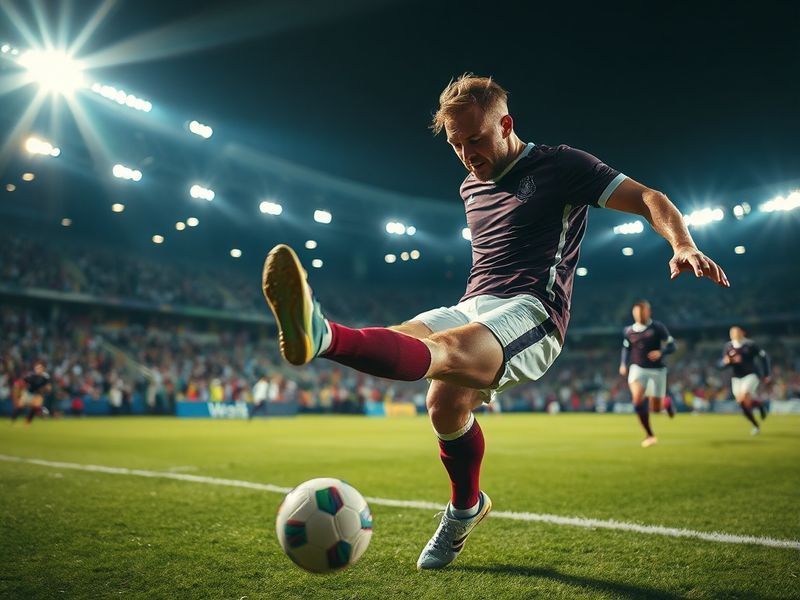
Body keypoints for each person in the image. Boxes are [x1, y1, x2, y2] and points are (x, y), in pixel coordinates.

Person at [261, 73, 729, 570]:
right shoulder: (470, 185)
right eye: (456, 145)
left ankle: (324, 334)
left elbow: (648, 197)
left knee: (445, 356)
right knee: (441, 403)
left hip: (532, 311)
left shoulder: (561, 165)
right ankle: (466, 509)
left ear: (506, 124)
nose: (466, 155)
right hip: (471, 303)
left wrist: (682, 244)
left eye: (476, 140)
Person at [619, 300, 677, 447]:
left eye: (641, 312)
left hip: (657, 370)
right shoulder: (628, 331)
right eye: (636, 312)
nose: (639, 315)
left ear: (648, 312)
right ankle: (650, 435)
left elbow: (672, 345)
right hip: (637, 369)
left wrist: (661, 352)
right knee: (637, 401)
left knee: (656, 409)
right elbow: (626, 348)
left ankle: (667, 402)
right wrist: (623, 364)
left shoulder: (657, 327)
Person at [718, 326, 770, 435]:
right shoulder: (728, 346)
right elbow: (721, 364)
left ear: (743, 333)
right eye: (732, 333)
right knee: (743, 403)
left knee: (743, 397)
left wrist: (766, 374)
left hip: (751, 375)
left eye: (736, 332)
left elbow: (763, 357)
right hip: (736, 378)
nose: (734, 335)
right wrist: (726, 362)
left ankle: (756, 425)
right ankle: (758, 411)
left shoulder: (750, 345)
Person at [22, 360, 51, 425]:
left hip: (38, 393)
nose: (39, 369)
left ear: (43, 368)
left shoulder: (45, 376)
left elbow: (48, 386)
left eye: (40, 368)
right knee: (21, 406)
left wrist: (47, 389)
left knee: (35, 407)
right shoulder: (31, 375)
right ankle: (43, 411)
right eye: (37, 368)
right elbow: (24, 382)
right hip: (29, 393)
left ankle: (28, 421)